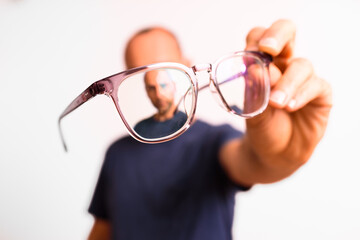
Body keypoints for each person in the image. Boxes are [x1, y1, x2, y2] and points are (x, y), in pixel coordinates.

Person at [88, 20, 332, 240]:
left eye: (167, 73)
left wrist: (280, 155)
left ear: (185, 67)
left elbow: (253, 159)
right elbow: (102, 231)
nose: (158, 88)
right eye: (145, 77)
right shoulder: (117, 154)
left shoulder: (213, 142)